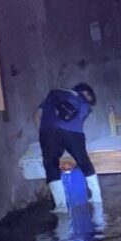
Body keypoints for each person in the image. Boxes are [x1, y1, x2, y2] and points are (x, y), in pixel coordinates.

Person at [36, 82, 102, 213]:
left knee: (51, 165)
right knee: (84, 162)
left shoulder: (56, 93)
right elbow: (79, 123)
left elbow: (37, 115)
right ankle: (97, 197)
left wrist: (44, 134)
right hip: (74, 133)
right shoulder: (84, 103)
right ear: (85, 92)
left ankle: (61, 206)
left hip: (49, 131)